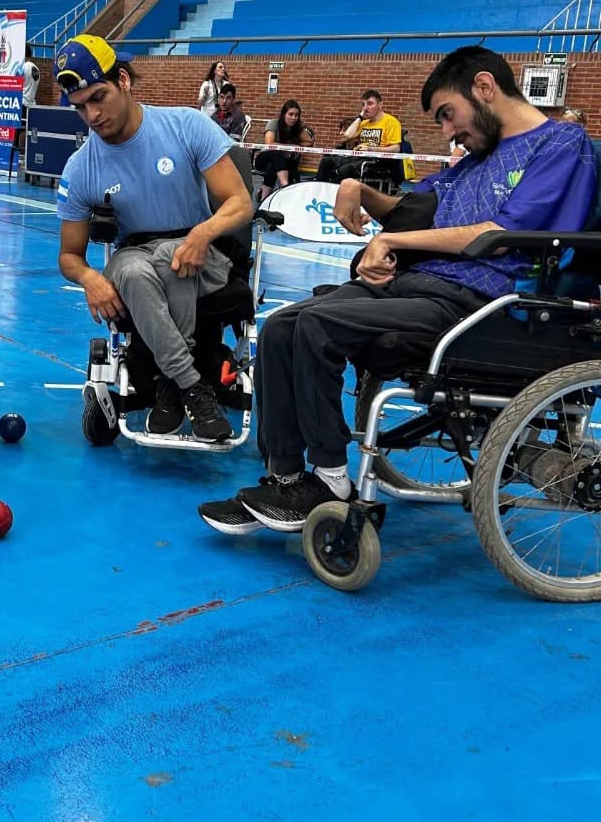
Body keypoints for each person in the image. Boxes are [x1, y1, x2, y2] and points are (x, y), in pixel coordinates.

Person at [198, 46, 597, 536]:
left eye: (448, 115)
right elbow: (416, 207)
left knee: (320, 326)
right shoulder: (475, 159)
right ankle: (285, 478)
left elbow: (500, 234)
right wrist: (357, 189)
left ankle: (329, 480)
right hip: (421, 286)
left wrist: (391, 240)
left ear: (485, 87)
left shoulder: (559, 144)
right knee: (282, 326)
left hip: (487, 306)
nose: (448, 132)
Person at [54, 34, 253, 442]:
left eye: (98, 98)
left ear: (123, 80)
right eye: (80, 108)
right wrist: (90, 279)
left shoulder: (186, 126)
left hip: (202, 252)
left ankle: (171, 382)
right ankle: (192, 387)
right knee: (131, 269)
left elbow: (239, 203)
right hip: (136, 255)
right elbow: (69, 256)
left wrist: (203, 232)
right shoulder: (80, 169)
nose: (91, 115)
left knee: (166, 257)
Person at [316, 89, 402, 184]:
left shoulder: (391, 121)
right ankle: (321, 192)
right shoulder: (364, 123)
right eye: (363, 105)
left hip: (375, 160)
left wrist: (372, 149)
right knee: (326, 162)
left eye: (370, 104)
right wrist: (360, 116)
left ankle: (337, 195)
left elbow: (396, 148)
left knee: (345, 170)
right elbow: (347, 136)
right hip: (356, 156)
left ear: (380, 105)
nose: (365, 108)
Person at [256, 99, 315, 198]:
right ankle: (285, 186)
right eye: (290, 114)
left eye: (296, 115)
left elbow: (309, 142)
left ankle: (264, 198)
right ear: (284, 114)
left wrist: (297, 145)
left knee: (272, 167)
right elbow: (269, 143)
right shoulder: (273, 123)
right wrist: (290, 147)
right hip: (264, 158)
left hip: (282, 163)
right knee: (277, 153)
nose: (294, 118)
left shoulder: (297, 127)